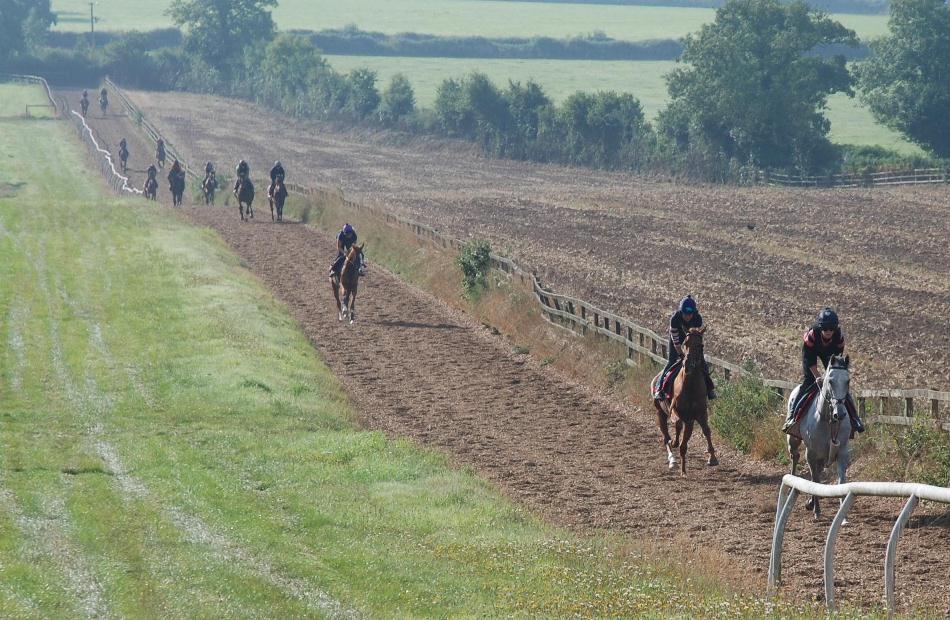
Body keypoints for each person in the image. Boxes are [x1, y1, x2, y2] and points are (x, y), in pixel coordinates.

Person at [783, 308, 865, 433]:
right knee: (808, 382)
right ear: (820, 328)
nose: (828, 331)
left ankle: (855, 418)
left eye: (831, 328)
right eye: (825, 328)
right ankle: (792, 416)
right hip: (812, 351)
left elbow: (837, 362)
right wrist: (817, 377)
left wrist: (830, 376)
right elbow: (809, 361)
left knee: (839, 385)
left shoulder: (839, 338)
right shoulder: (811, 336)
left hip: (830, 355)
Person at [660, 295, 716, 400]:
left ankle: (710, 389)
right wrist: (681, 355)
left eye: (690, 314)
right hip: (677, 338)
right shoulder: (675, 319)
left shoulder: (698, 319)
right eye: (685, 314)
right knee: (671, 361)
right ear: (681, 312)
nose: (688, 317)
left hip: (691, 339)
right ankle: (661, 388)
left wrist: (694, 354)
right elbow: (676, 342)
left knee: (702, 362)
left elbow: (697, 338)